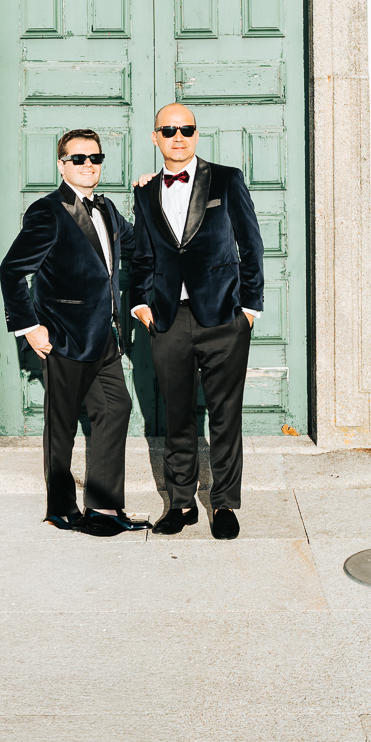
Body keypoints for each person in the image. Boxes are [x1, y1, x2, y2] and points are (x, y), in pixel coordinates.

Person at [0, 129, 148, 538]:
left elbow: (138, 248)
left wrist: (150, 200)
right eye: (78, 158)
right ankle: (60, 510)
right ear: (62, 164)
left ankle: (102, 506)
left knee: (115, 408)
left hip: (106, 338)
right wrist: (30, 327)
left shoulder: (110, 210)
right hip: (63, 335)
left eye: (95, 158)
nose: (88, 165)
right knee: (61, 425)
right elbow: (12, 271)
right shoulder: (47, 211)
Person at [129, 104, 264, 539]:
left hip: (224, 317)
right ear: (156, 138)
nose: (178, 136)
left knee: (225, 415)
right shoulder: (145, 192)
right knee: (177, 416)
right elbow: (143, 254)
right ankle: (181, 502)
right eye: (168, 130)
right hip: (168, 319)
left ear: (197, 134)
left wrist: (249, 309)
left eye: (186, 129)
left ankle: (224, 503)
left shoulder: (226, 179)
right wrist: (139, 304)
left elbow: (252, 244)